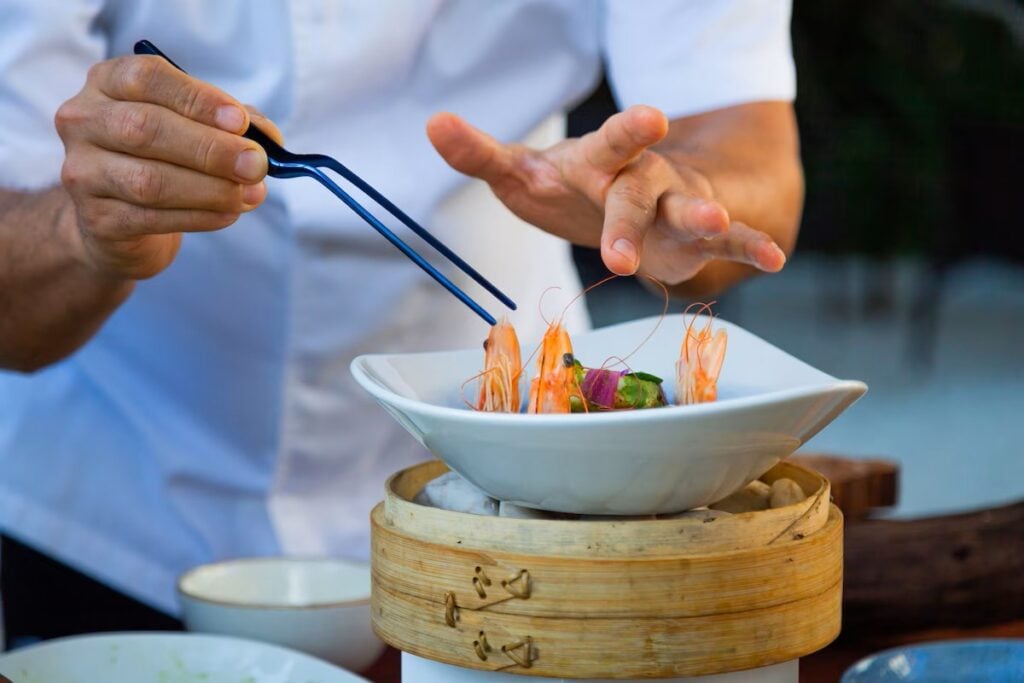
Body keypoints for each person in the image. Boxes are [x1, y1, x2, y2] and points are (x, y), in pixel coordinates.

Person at [0, 1, 803, 643]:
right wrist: (84, 232)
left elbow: (756, 158)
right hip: (110, 492)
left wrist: (679, 194)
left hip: (504, 505)